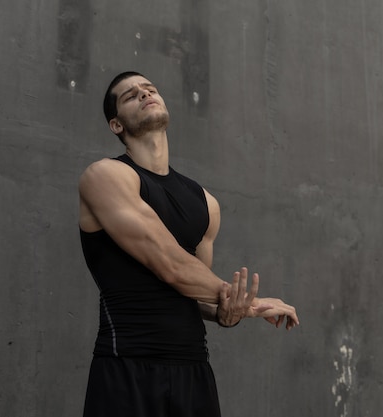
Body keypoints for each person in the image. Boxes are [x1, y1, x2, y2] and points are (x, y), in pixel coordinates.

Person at [78, 71, 299, 417]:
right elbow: (171, 265)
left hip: (193, 370)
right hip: (127, 366)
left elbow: (193, 294)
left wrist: (230, 311)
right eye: (129, 95)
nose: (144, 93)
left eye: (150, 89)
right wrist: (249, 302)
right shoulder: (105, 176)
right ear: (116, 125)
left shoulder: (205, 203)